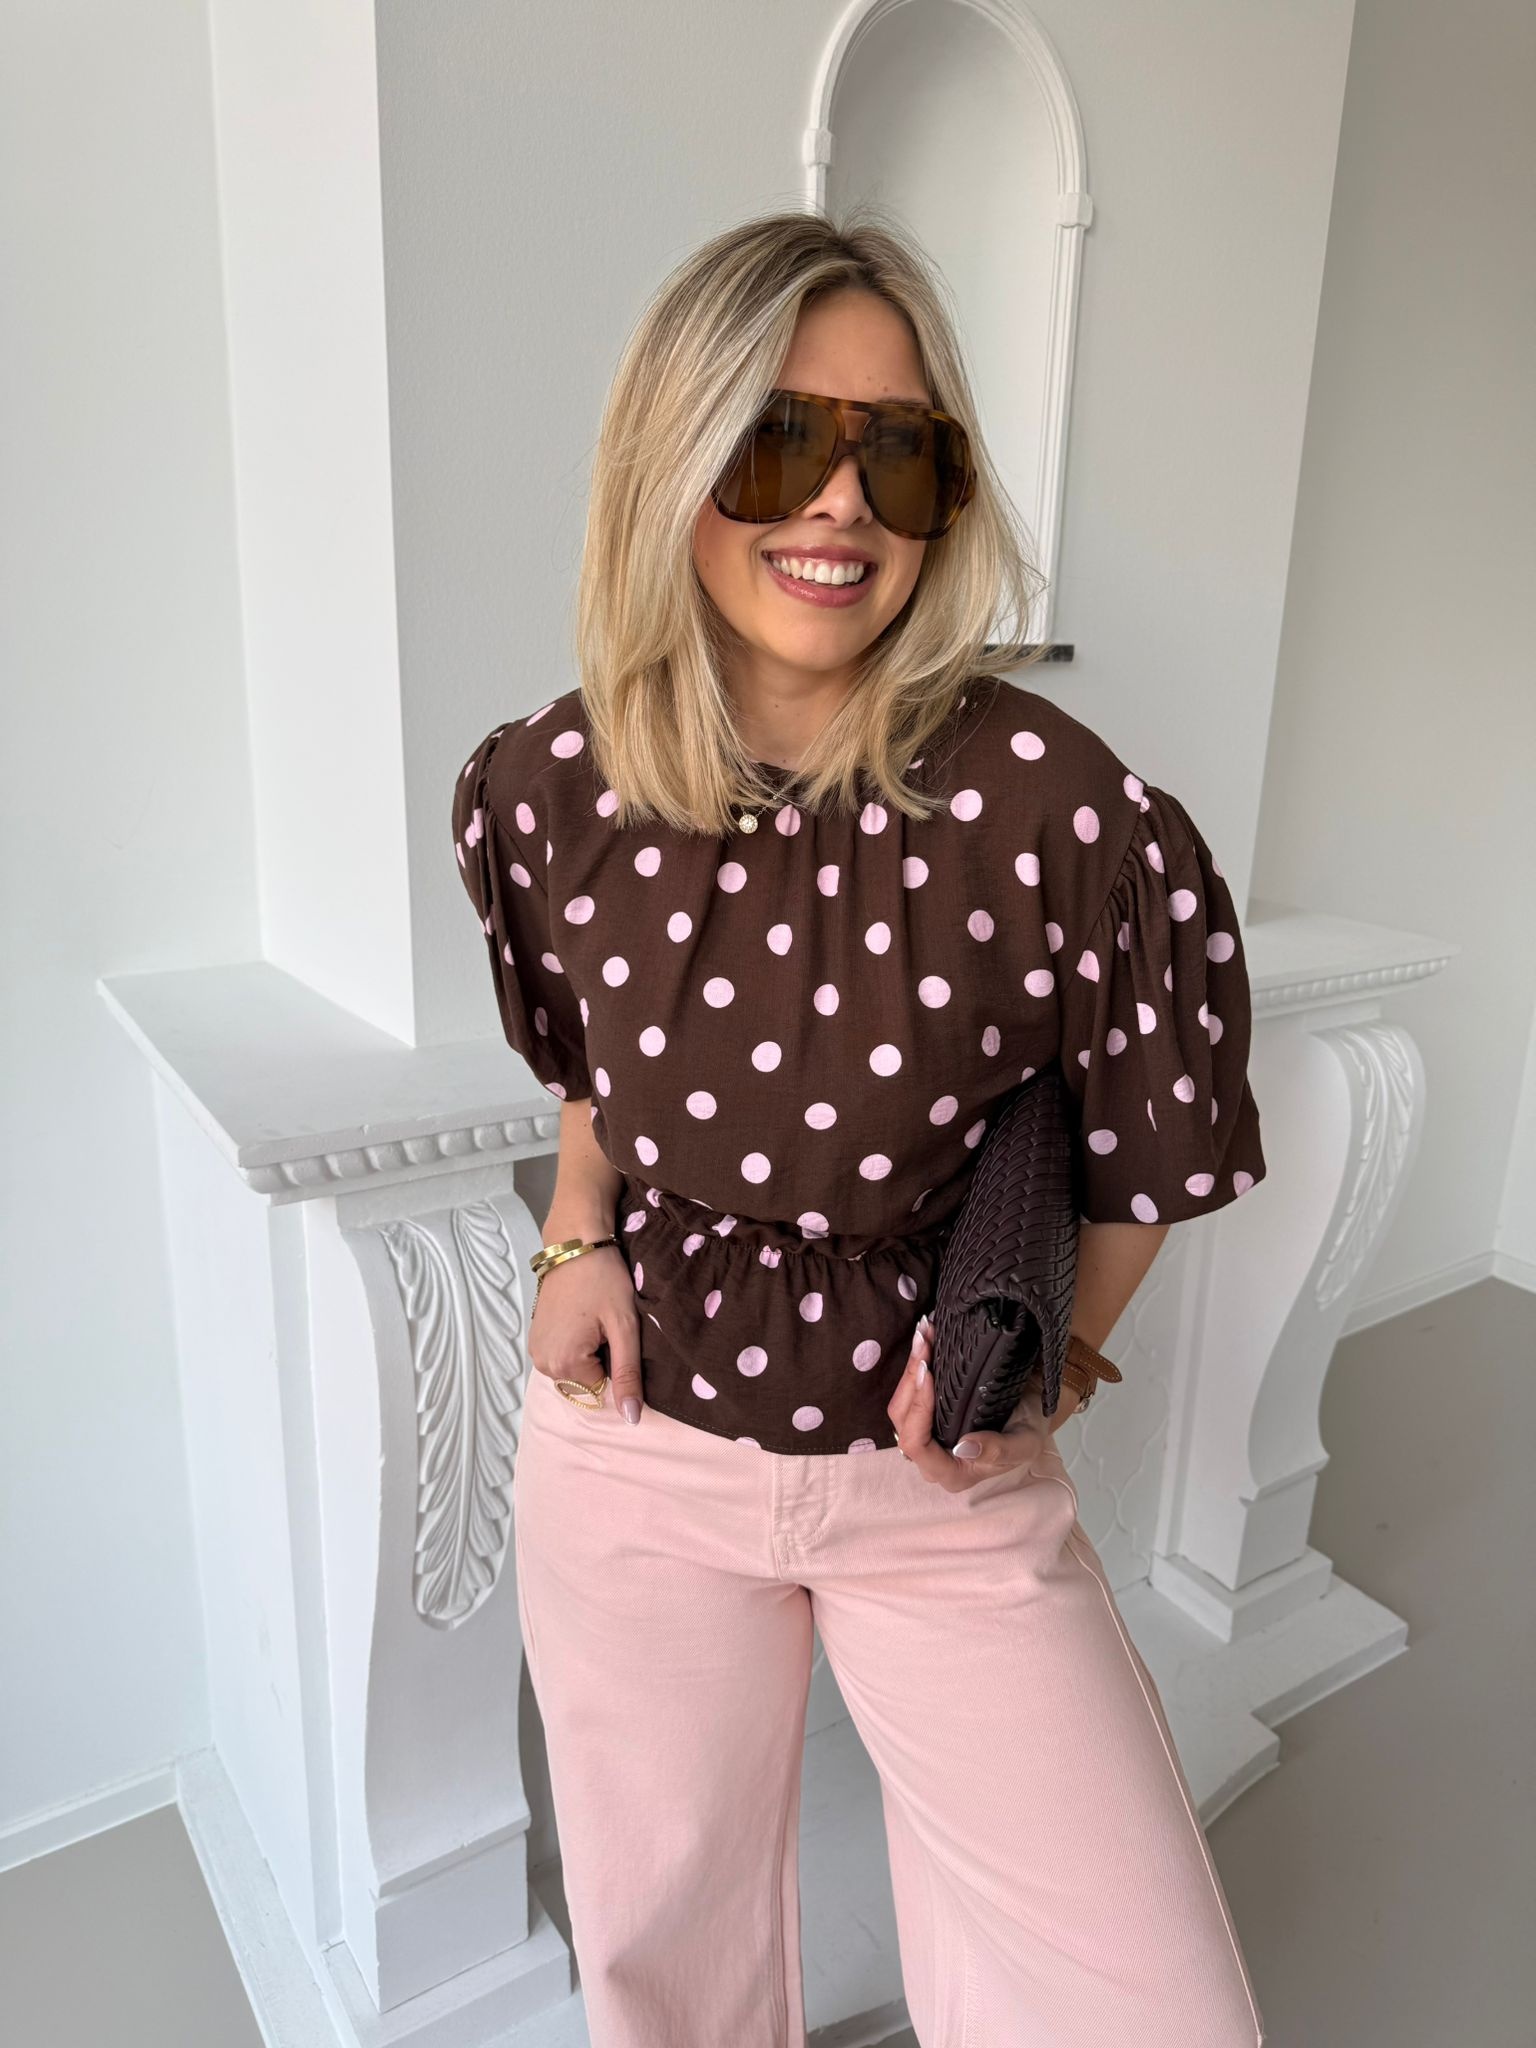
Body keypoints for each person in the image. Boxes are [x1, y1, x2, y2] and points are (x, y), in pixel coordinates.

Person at [451, 206, 1268, 2048]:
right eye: (778, 440)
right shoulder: (550, 785)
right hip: (636, 1452)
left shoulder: (1059, 809)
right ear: (672, 457)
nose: (839, 504)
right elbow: (591, 1060)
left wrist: (1038, 1366)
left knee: (1142, 2005)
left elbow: (1149, 1152)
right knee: (662, 1972)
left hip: (937, 1490)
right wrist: (578, 1232)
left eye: (896, 453)